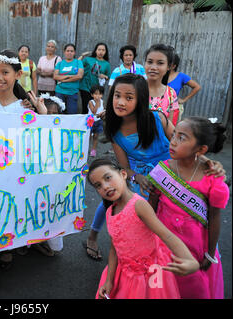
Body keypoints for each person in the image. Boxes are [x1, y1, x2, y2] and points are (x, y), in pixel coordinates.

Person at [84, 73, 225, 262]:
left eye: (129, 97)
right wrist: (136, 177)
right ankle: (94, 237)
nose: (121, 102)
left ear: (141, 99)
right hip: (143, 180)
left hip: (173, 175)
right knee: (115, 200)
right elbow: (125, 168)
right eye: (117, 95)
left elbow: (185, 143)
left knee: (174, 218)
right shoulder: (114, 131)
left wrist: (207, 161)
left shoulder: (158, 118)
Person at [0, 50, 47, 290]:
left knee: (11, 208)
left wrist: (41, 113)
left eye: (5, 72)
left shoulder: (25, 108)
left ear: (18, 74)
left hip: (14, 171)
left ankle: (7, 247)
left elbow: (42, 138)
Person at [87, 158, 199, 299]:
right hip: (124, 275)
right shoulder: (110, 212)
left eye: (108, 178)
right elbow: (114, 248)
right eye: (98, 185)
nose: (105, 186)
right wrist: (109, 280)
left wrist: (189, 259)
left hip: (152, 274)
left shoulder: (138, 205)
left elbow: (166, 235)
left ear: (123, 174)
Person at [148, 117, 229, 298]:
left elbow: (214, 218)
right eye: (174, 134)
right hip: (161, 242)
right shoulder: (163, 169)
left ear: (201, 149)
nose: (173, 141)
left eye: (182, 138)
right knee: (160, 286)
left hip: (194, 247)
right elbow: (150, 207)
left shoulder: (213, 180)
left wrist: (209, 253)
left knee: (189, 287)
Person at [145, 44, 179, 126]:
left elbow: (170, 128)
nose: (153, 67)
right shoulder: (134, 88)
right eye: (150, 62)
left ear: (169, 67)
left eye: (160, 63)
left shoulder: (171, 94)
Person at [167, 53, 201, 121]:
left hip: (173, 108)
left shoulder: (181, 76)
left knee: (171, 128)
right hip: (158, 106)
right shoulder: (159, 75)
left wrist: (184, 100)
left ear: (174, 66)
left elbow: (197, 87)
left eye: (168, 63)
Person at [79, 43, 111, 114]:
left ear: (105, 52)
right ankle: (86, 124)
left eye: (103, 50)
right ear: (95, 51)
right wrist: (82, 56)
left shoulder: (106, 64)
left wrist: (104, 76)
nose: (101, 52)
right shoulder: (88, 59)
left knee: (95, 109)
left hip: (97, 91)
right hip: (85, 87)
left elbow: (108, 77)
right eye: (99, 49)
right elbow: (78, 65)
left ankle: (94, 123)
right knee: (86, 108)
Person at [53, 43, 84, 114]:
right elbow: (55, 76)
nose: (69, 53)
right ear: (64, 52)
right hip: (60, 92)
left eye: (71, 51)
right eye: (67, 51)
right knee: (59, 113)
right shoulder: (60, 64)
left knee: (72, 114)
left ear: (74, 52)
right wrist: (70, 76)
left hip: (72, 92)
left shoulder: (78, 62)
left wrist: (63, 79)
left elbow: (79, 76)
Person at [87, 84, 104, 157]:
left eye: (100, 94)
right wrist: (97, 103)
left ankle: (93, 150)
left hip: (99, 121)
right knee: (89, 136)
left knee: (96, 136)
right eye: (96, 94)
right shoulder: (91, 102)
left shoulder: (102, 101)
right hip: (90, 121)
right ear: (92, 94)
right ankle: (86, 148)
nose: (98, 96)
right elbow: (94, 111)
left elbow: (102, 110)